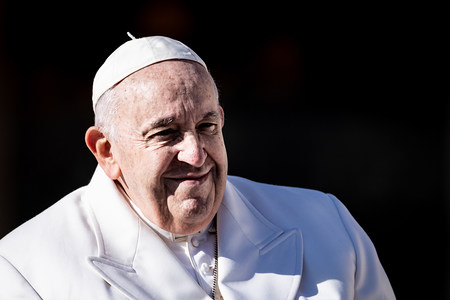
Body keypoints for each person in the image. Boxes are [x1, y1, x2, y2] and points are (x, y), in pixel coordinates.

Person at [0, 34, 395, 300]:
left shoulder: (328, 227)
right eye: (166, 133)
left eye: (207, 127)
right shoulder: (25, 270)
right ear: (106, 152)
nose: (195, 153)